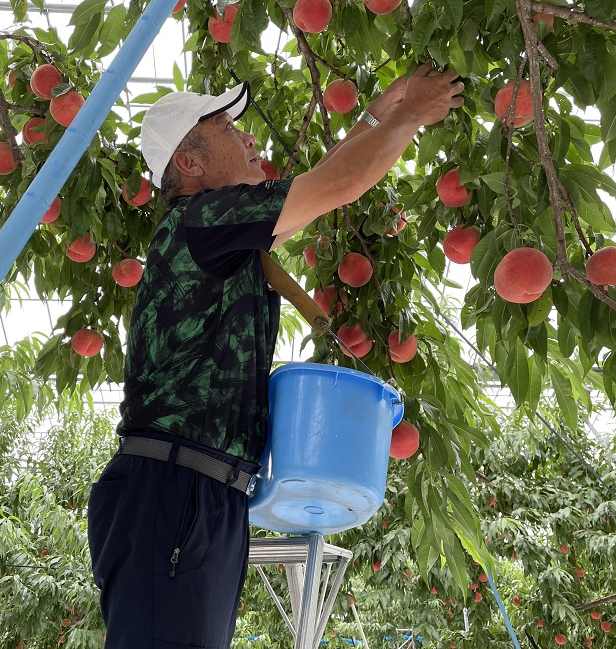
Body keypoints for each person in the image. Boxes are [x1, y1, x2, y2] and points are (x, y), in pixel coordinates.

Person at [87, 62, 464, 648]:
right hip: (172, 487)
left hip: (203, 492)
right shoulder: (199, 220)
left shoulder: (223, 236)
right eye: (228, 131)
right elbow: (333, 187)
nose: (250, 138)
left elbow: (318, 189)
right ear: (190, 164)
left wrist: (380, 115)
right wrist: (413, 114)